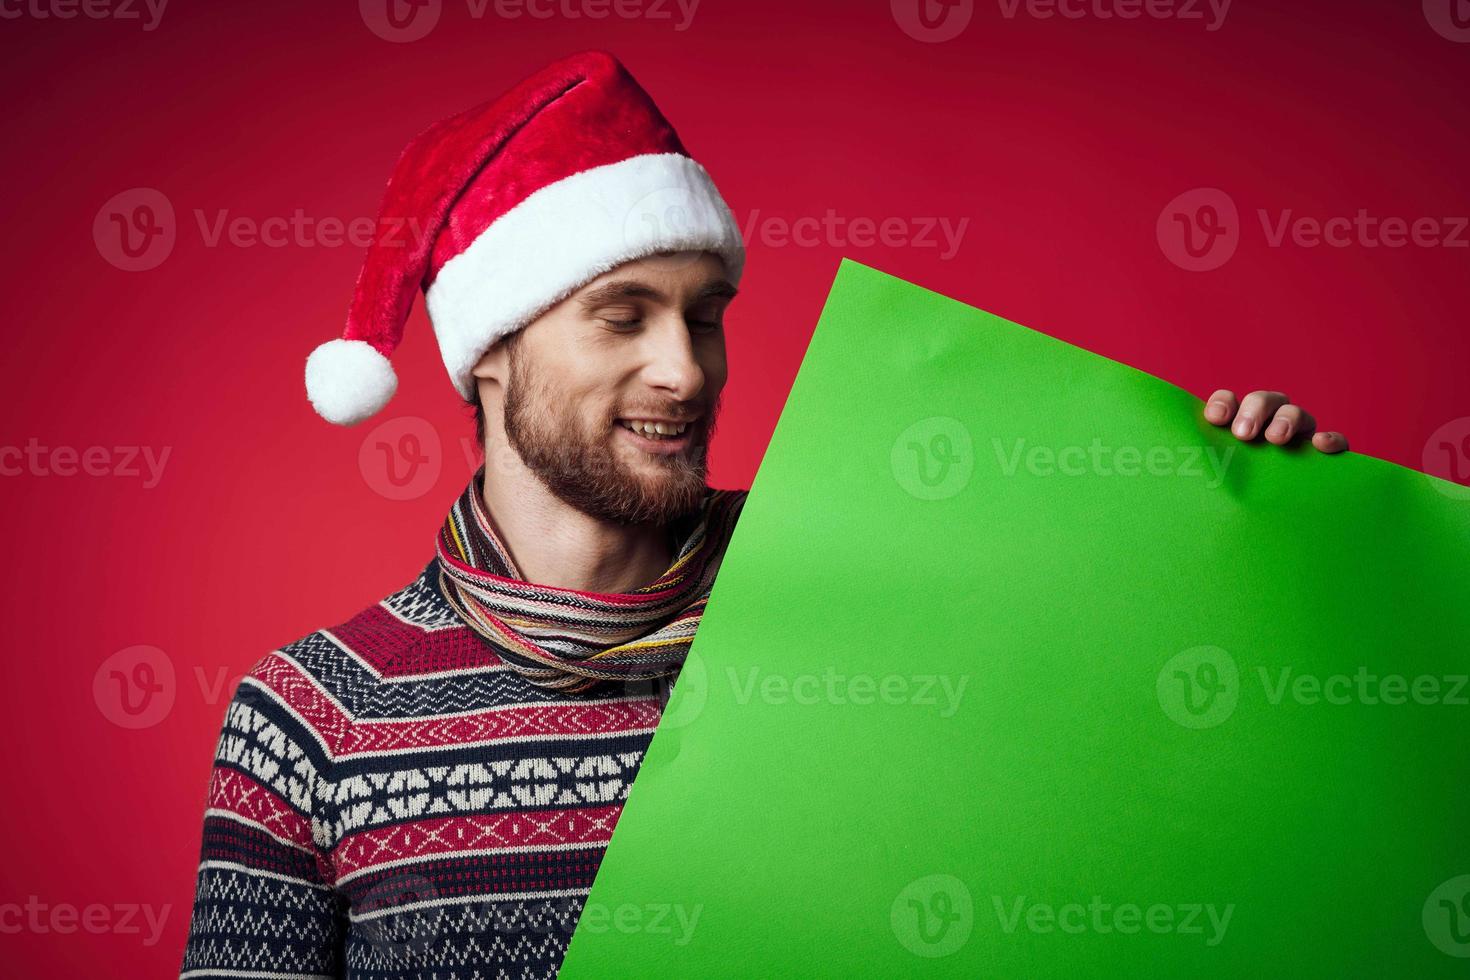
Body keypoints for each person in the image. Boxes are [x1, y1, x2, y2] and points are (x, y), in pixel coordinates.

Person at [177, 49, 1347, 980]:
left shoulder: (872, 579)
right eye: (622, 316)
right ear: (491, 358)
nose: (686, 370)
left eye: (706, 314)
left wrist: (1260, 543)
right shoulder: (312, 714)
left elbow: (1143, 763)